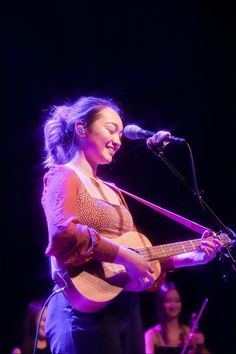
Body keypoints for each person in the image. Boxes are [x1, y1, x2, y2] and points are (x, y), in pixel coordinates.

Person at [41, 95, 222, 354]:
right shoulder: (63, 176)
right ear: (81, 128)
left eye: (120, 136)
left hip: (123, 311)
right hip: (80, 312)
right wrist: (123, 255)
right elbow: (65, 234)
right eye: (111, 130)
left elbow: (138, 257)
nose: (117, 141)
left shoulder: (113, 191)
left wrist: (191, 258)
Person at [144, 282, 211, 354]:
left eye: (177, 301)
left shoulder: (188, 332)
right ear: (161, 304)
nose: (173, 306)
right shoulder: (152, 335)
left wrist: (200, 347)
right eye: (168, 301)